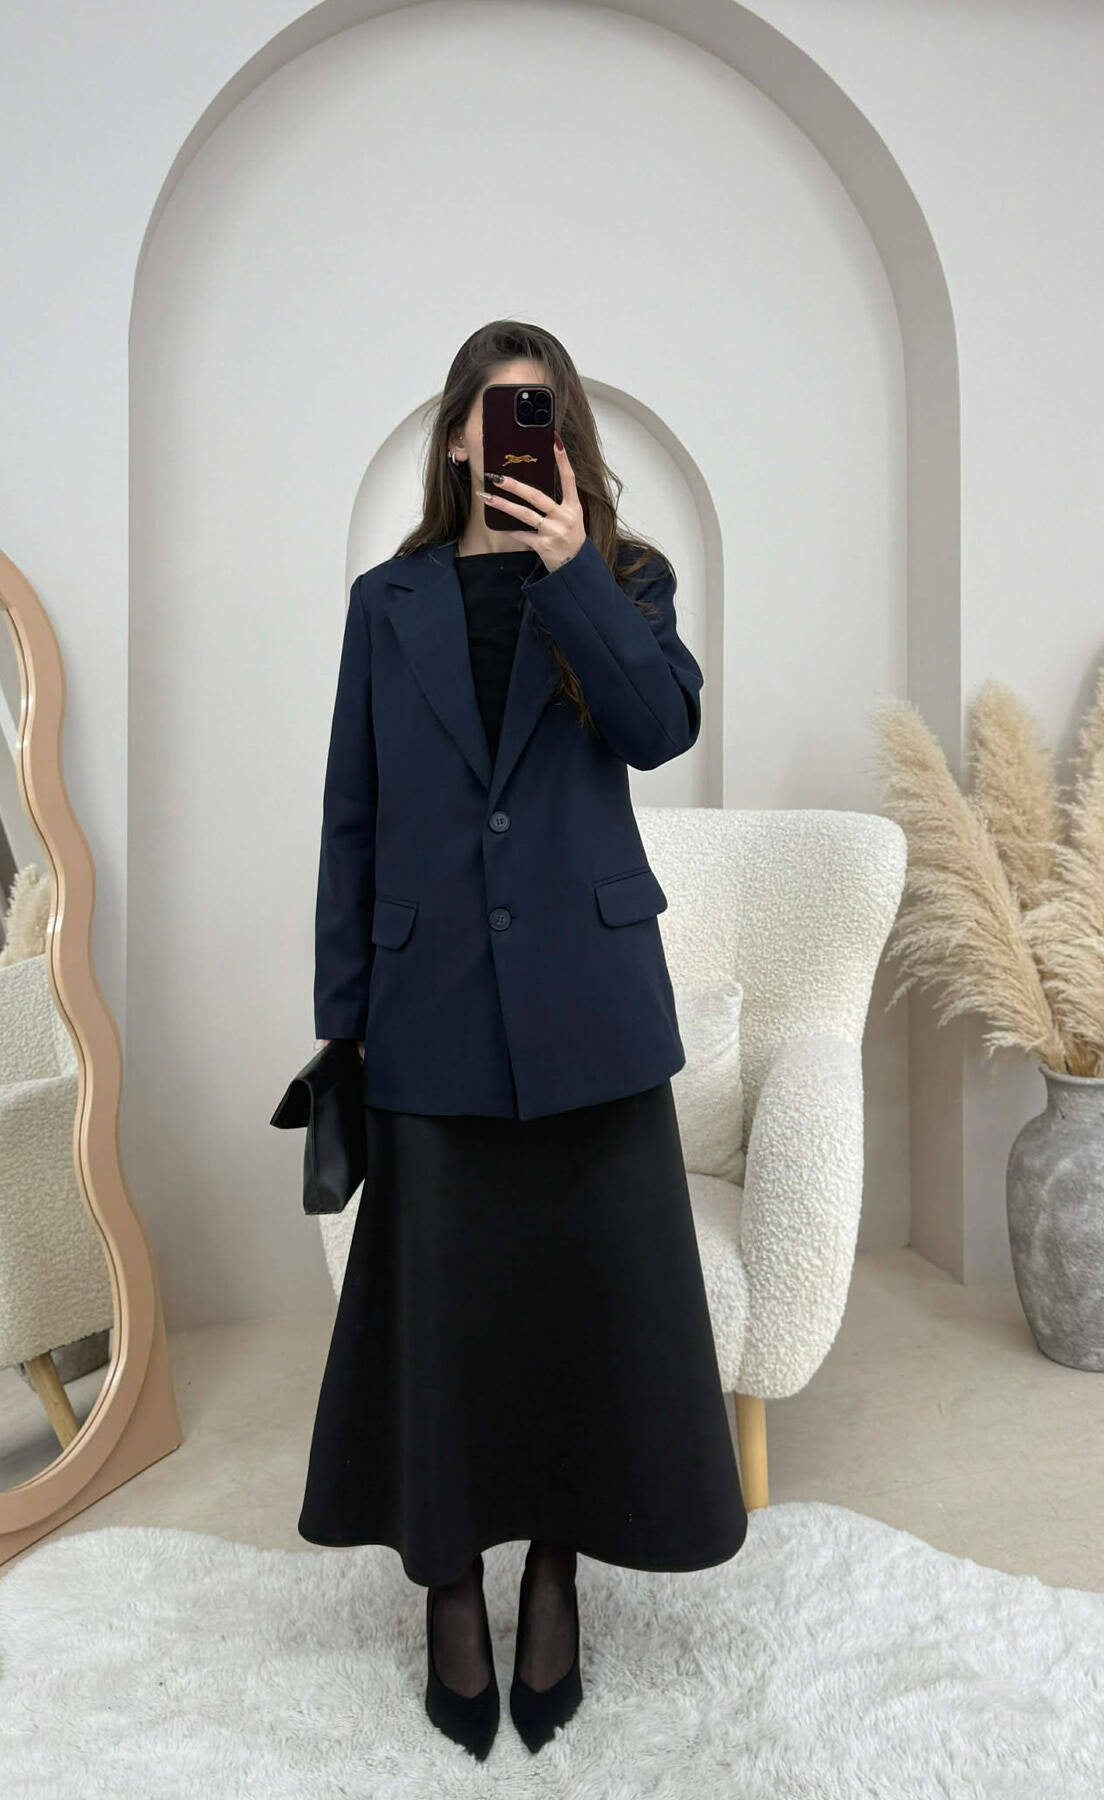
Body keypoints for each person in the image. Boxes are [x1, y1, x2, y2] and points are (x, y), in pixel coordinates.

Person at [302, 320, 748, 1760]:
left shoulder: (623, 578)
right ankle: (452, 1584)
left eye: (539, 413)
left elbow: (659, 728)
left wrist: (571, 575)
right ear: (454, 438)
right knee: (446, 1326)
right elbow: (352, 821)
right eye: (494, 413)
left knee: (579, 1316)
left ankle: (555, 1571)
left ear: (566, 440)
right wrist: (342, 1032)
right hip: (429, 1013)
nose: (514, 436)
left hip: (589, 1011)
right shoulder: (386, 602)